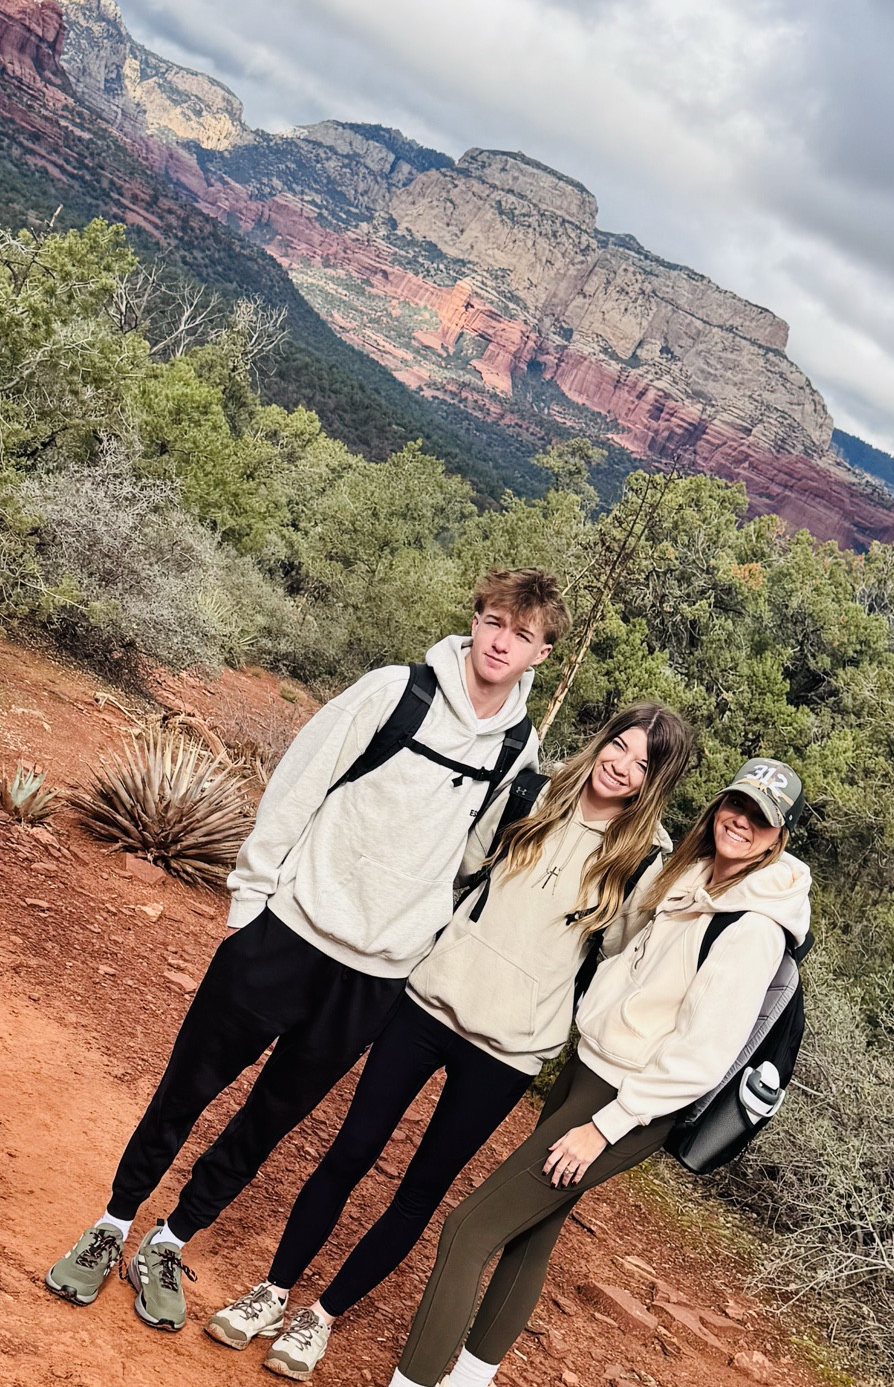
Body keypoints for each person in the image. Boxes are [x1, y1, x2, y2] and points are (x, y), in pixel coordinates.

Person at [46, 569, 570, 1330]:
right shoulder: (396, 692)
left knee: (268, 1120)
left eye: (522, 634)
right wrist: (250, 905)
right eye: (494, 621)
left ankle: (172, 1239)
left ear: (542, 654)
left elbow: (469, 859)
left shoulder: (518, 749)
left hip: (375, 976)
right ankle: (112, 1224)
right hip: (286, 933)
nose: (501, 641)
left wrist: (417, 935)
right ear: (476, 619)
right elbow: (300, 782)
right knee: (187, 1088)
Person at [287, 757, 812, 1387]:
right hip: (595, 1071)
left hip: (625, 1100)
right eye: (736, 804)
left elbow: (700, 1058)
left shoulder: (753, 926)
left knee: (470, 1229)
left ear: (775, 838)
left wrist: (607, 1126)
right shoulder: (699, 883)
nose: (740, 821)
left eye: (759, 818)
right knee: (532, 1234)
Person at [202, 702, 697, 1379]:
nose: (623, 767)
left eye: (644, 765)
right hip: (428, 1003)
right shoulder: (532, 791)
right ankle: (275, 1289)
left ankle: (320, 1319)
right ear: (603, 740)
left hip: (509, 1051)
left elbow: (619, 955)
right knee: (349, 1151)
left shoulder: (644, 862)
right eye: (622, 746)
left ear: (655, 783)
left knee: (420, 1192)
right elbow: (461, 868)